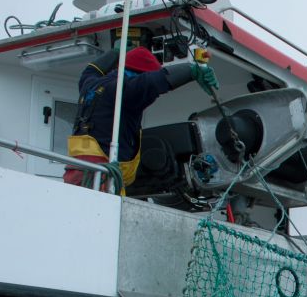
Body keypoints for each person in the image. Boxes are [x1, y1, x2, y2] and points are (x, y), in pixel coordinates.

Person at [62, 45, 218, 191]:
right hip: (100, 180)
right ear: (140, 74)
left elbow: (90, 70)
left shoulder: (90, 84)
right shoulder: (127, 89)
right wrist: (193, 71)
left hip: (76, 174)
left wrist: (116, 52)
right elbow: (154, 82)